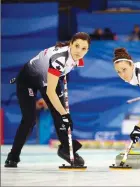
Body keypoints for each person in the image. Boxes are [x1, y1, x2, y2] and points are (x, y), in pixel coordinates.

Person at [4, 32, 91, 168]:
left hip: (48, 79)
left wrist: (62, 114)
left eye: (84, 49)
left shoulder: (78, 59)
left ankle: (66, 150)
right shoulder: (59, 59)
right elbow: (50, 92)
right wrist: (65, 114)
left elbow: (55, 78)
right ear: (71, 44)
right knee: (29, 120)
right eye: (77, 46)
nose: (79, 51)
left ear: (88, 50)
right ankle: (13, 156)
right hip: (28, 80)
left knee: (60, 114)